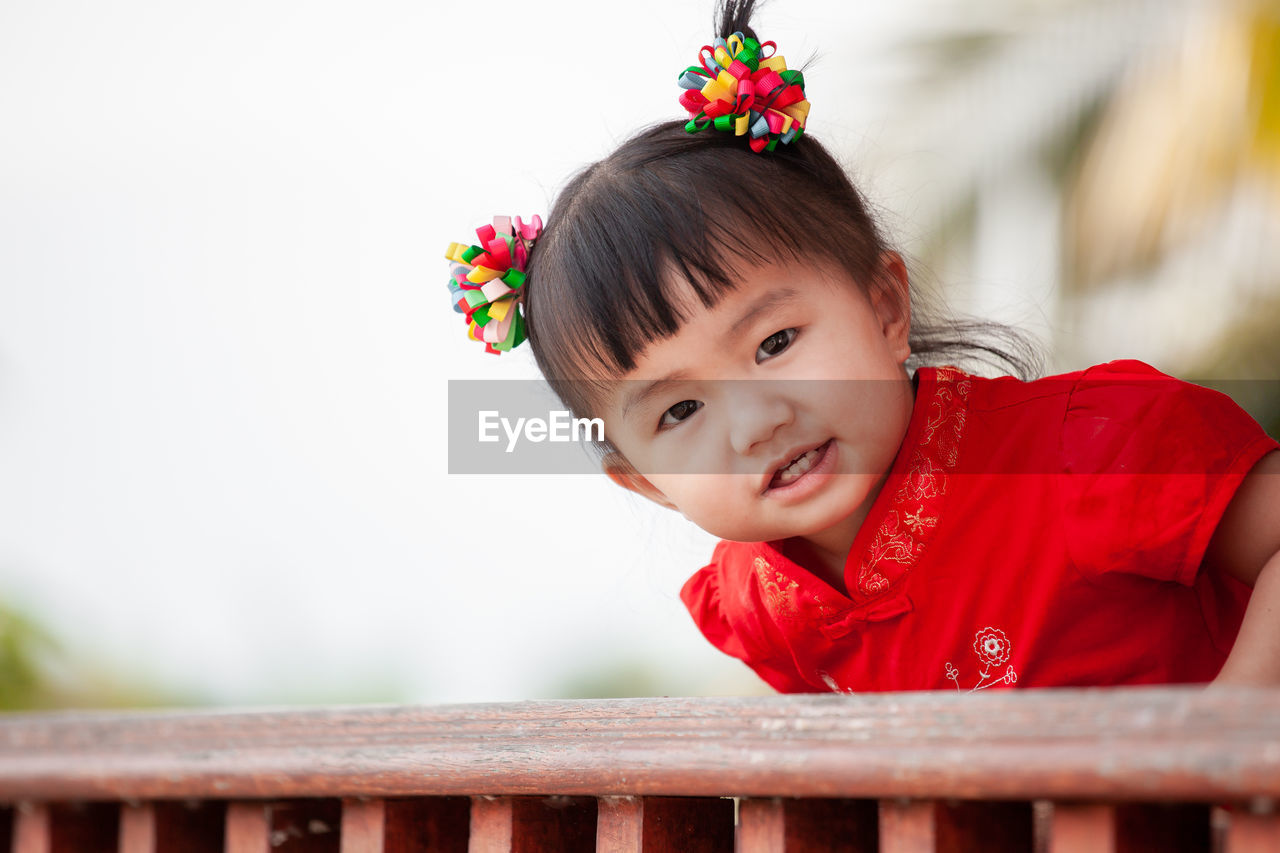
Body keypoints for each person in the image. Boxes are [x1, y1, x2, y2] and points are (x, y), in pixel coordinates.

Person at [444, 0, 1280, 693]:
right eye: (682, 409)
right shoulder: (761, 606)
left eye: (774, 341)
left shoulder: (1090, 449)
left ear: (884, 306)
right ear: (644, 480)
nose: (757, 422)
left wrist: (1224, 726)